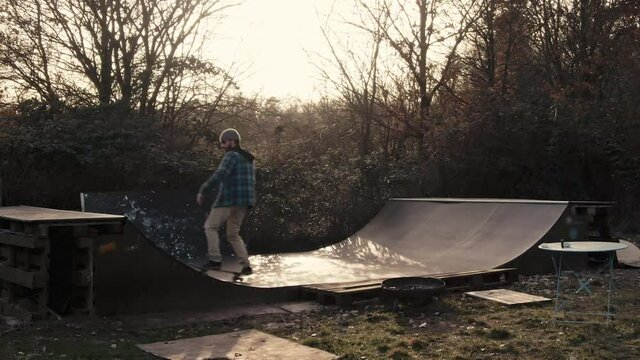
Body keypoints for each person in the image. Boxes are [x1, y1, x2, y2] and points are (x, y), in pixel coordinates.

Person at [196, 128, 255, 274]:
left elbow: (220, 174)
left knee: (210, 226)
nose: (222, 145)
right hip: (243, 202)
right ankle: (246, 265)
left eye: (224, 142)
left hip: (228, 199)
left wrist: (203, 190)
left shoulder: (231, 155)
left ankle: (215, 260)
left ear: (233, 142)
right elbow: (252, 182)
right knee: (233, 234)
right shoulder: (248, 158)